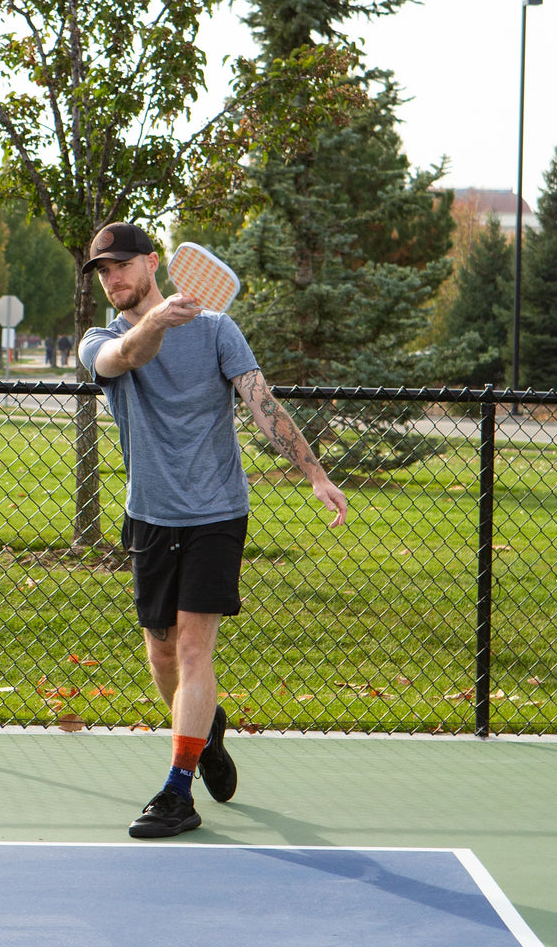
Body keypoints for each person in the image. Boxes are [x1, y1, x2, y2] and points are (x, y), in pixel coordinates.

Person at [77, 222, 348, 839]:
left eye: (122, 265)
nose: (113, 278)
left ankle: (178, 790)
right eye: (102, 271)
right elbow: (128, 357)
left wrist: (314, 474)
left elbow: (263, 404)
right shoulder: (101, 340)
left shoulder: (220, 330)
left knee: (197, 649)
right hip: (149, 512)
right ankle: (206, 726)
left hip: (218, 512)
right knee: (163, 655)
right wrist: (159, 322)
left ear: (153, 263)